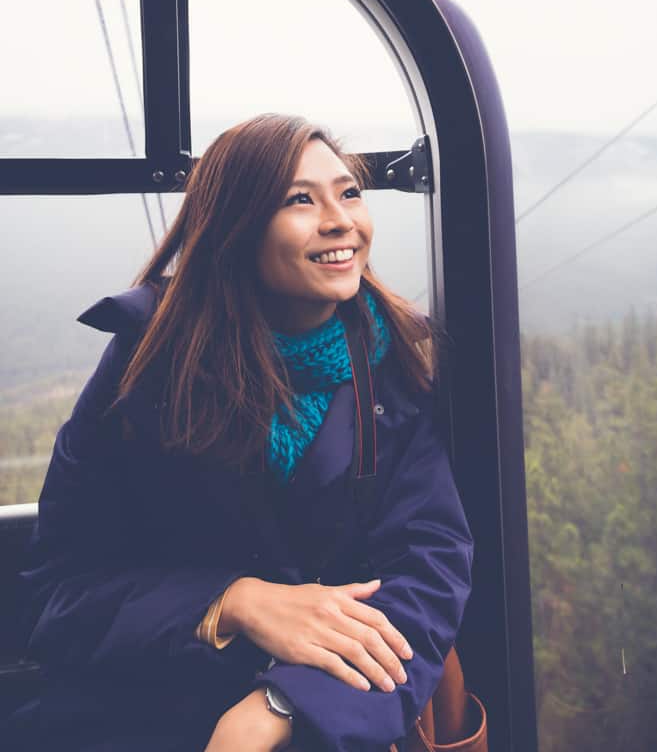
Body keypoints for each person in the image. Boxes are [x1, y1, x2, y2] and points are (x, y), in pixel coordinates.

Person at [7, 114, 475, 752]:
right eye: (300, 199)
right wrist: (233, 603)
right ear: (236, 228)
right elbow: (59, 596)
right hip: (139, 706)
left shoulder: (387, 365)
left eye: (350, 192)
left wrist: (282, 704)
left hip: (327, 716)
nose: (340, 219)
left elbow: (429, 571)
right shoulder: (147, 367)